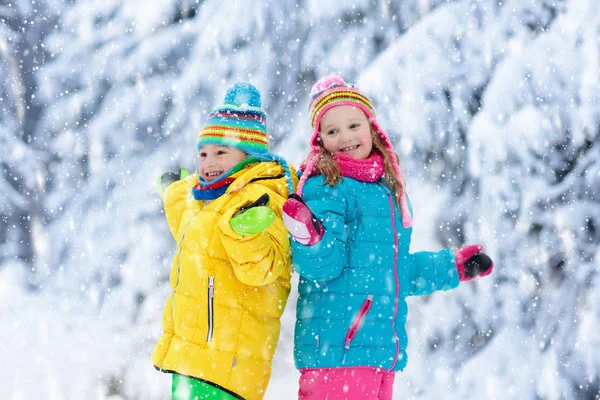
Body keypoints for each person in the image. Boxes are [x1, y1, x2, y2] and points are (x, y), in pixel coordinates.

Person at [282, 75, 494, 400]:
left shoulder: (385, 192)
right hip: (339, 353)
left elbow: (396, 273)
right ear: (320, 140)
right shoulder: (326, 187)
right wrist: (310, 237)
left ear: (372, 128)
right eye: (332, 131)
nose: (345, 137)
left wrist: (454, 267)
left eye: (353, 125)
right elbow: (323, 267)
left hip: (378, 355)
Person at [152, 82, 297, 400]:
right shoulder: (209, 196)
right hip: (192, 355)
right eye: (203, 153)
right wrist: (176, 194)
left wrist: (246, 233)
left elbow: (262, 271)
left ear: (249, 157)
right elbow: (199, 240)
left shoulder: (263, 196)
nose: (208, 162)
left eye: (221, 152)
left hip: (230, 359)